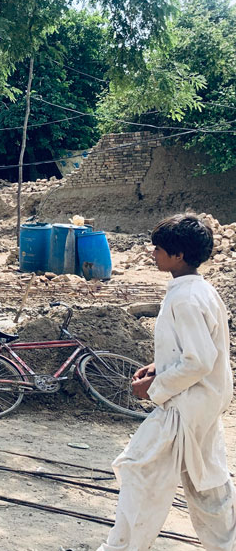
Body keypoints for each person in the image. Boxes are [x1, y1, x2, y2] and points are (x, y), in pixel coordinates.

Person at [98, 214, 236, 551]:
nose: (153, 254)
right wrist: (159, 367)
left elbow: (199, 360)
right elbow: (197, 351)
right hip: (202, 402)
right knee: (208, 484)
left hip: (183, 406)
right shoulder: (200, 290)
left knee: (139, 473)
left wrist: (155, 387)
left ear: (178, 256)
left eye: (158, 249)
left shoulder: (186, 299)